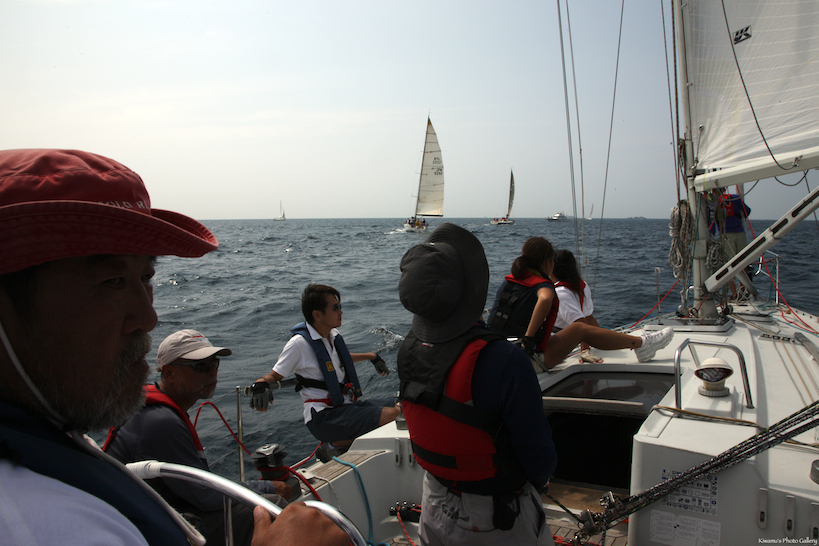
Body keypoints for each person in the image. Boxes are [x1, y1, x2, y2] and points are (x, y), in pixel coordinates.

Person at [0, 149, 348, 546]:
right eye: (113, 282)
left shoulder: (48, 446)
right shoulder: (32, 522)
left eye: (146, 277)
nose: (149, 317)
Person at [397, 222, 557, 545]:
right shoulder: (505, 361)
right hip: (496, 519)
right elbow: (540, 459)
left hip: (434, 503)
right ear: (471, 290)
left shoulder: (408, 350)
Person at [105, 329, 293, 546]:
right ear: (169, 373)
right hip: (140, 529)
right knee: (272, 508)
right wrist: (268, 487)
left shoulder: (157, 411)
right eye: (201, 366)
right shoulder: (159, 422)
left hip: (154, 511)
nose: (212, 372)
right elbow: (206, 496)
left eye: (214, 364)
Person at [249, 283, 400, 462]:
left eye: (339, 307)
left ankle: (342, 441)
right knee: (393, 415)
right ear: (317, 315)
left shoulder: (332, 336)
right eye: (335, 308)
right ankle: (333, 445)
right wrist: (260, 385)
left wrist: (371, 356)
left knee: (405, 406)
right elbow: (274, 376)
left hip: (345, 408)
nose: (341, 312)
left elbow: (340, 359)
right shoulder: (298, 344)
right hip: (324, 417)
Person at [488, 236, 674, 371]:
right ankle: (642, 344)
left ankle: (640, 344)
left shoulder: (509, 282)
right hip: (527, 359)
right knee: (579, 329)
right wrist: (529, 338)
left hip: (499, 353)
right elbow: (545, 299)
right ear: (549, 262)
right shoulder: (544, 286)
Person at [551, 249, 604, 363]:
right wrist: (603, 340)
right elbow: (588, 316)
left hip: (557, 341)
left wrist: (585, 350)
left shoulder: (560, 293)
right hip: (573, 338)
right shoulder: (582, 286)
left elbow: (581, 325)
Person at [710, 188, 752, 299]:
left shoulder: (713, 205)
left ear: (713, 192)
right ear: (724, 189)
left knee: (729, 265)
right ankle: (743, 291)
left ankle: (734, 294)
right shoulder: (734, 198)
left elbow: (711, 225)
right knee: (743, 263)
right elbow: (747, 211)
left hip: (725, 236)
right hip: (740, 233)